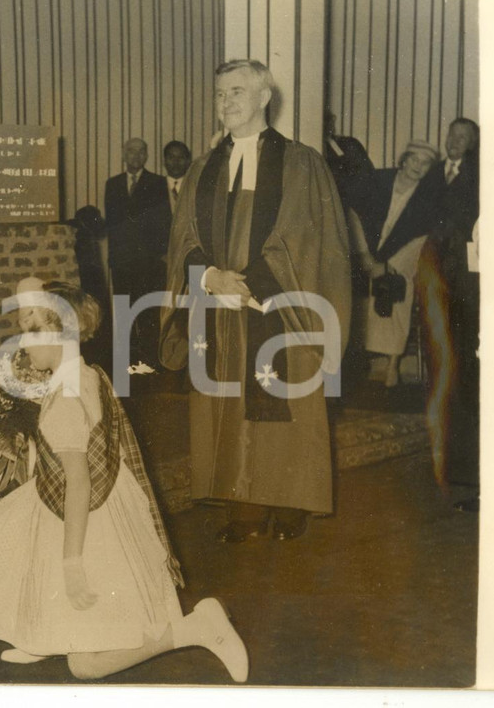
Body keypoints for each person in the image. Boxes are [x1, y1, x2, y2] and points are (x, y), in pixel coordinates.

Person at [0, 280, 248, 681]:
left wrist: (73, 562)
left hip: (90, 510)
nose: (22, 345)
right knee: (22, 540)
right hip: (111, 493)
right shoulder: (87, 374)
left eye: (31, 332)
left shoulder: (67, 399)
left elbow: (79, 485)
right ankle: (44, 635)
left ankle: (195, 628)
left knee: (85, 665)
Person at [160, 59, 351, 543]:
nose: (226, 103)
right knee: (226, 397)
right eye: (220, 94)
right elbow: (183, 237)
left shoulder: (301, 162)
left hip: (277, 305)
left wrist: (253, 282)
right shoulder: (204, 167)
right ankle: (238, 498)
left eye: (237, 92)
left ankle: (289, 500)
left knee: (283, 396)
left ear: (265, 97)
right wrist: (209, 277)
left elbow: (309, 236)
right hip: (219, 307)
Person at [416, 118, 480, 510]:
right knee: (445, 371)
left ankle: (468, 471)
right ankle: (454, 467)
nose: (453, 142)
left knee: (465, 374)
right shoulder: (434, 175)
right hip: (435, 285)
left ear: (473, 143)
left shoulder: (480, 178)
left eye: (462, 138)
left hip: (465, 289)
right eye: (450, 135)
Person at [345, 140, 440, 387]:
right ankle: (355, 361)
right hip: (363, 249)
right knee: (351, 294)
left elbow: (421, 238)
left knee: (400, 287)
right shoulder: (379, 180)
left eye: (425, 163)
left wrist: (389, 267)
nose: (418, 166)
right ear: (404, 160)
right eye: (414, 159)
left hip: (399, 258)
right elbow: (352, 212)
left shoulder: (428, 198)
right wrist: (364, 255)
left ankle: (392, 365)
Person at [104, 138, 172, 366]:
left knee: (148, 312)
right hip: (122, 263)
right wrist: (113, 258)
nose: (136, 156)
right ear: (124, 155)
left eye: (141, 152)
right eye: (131, 151)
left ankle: (150, 361)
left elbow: (164, 223)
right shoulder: (112, 185)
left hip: (148, 263)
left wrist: (160, 257)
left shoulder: (158, 182)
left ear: (146, 156)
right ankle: (125, 362)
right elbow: (113, 225)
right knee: (123, 312)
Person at [163, 140, 193, 210]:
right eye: (171, 157)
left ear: (188, 161)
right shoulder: (154, 188)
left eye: (181, 157)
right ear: (164, 161)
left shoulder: (194, 186)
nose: (176, 162)